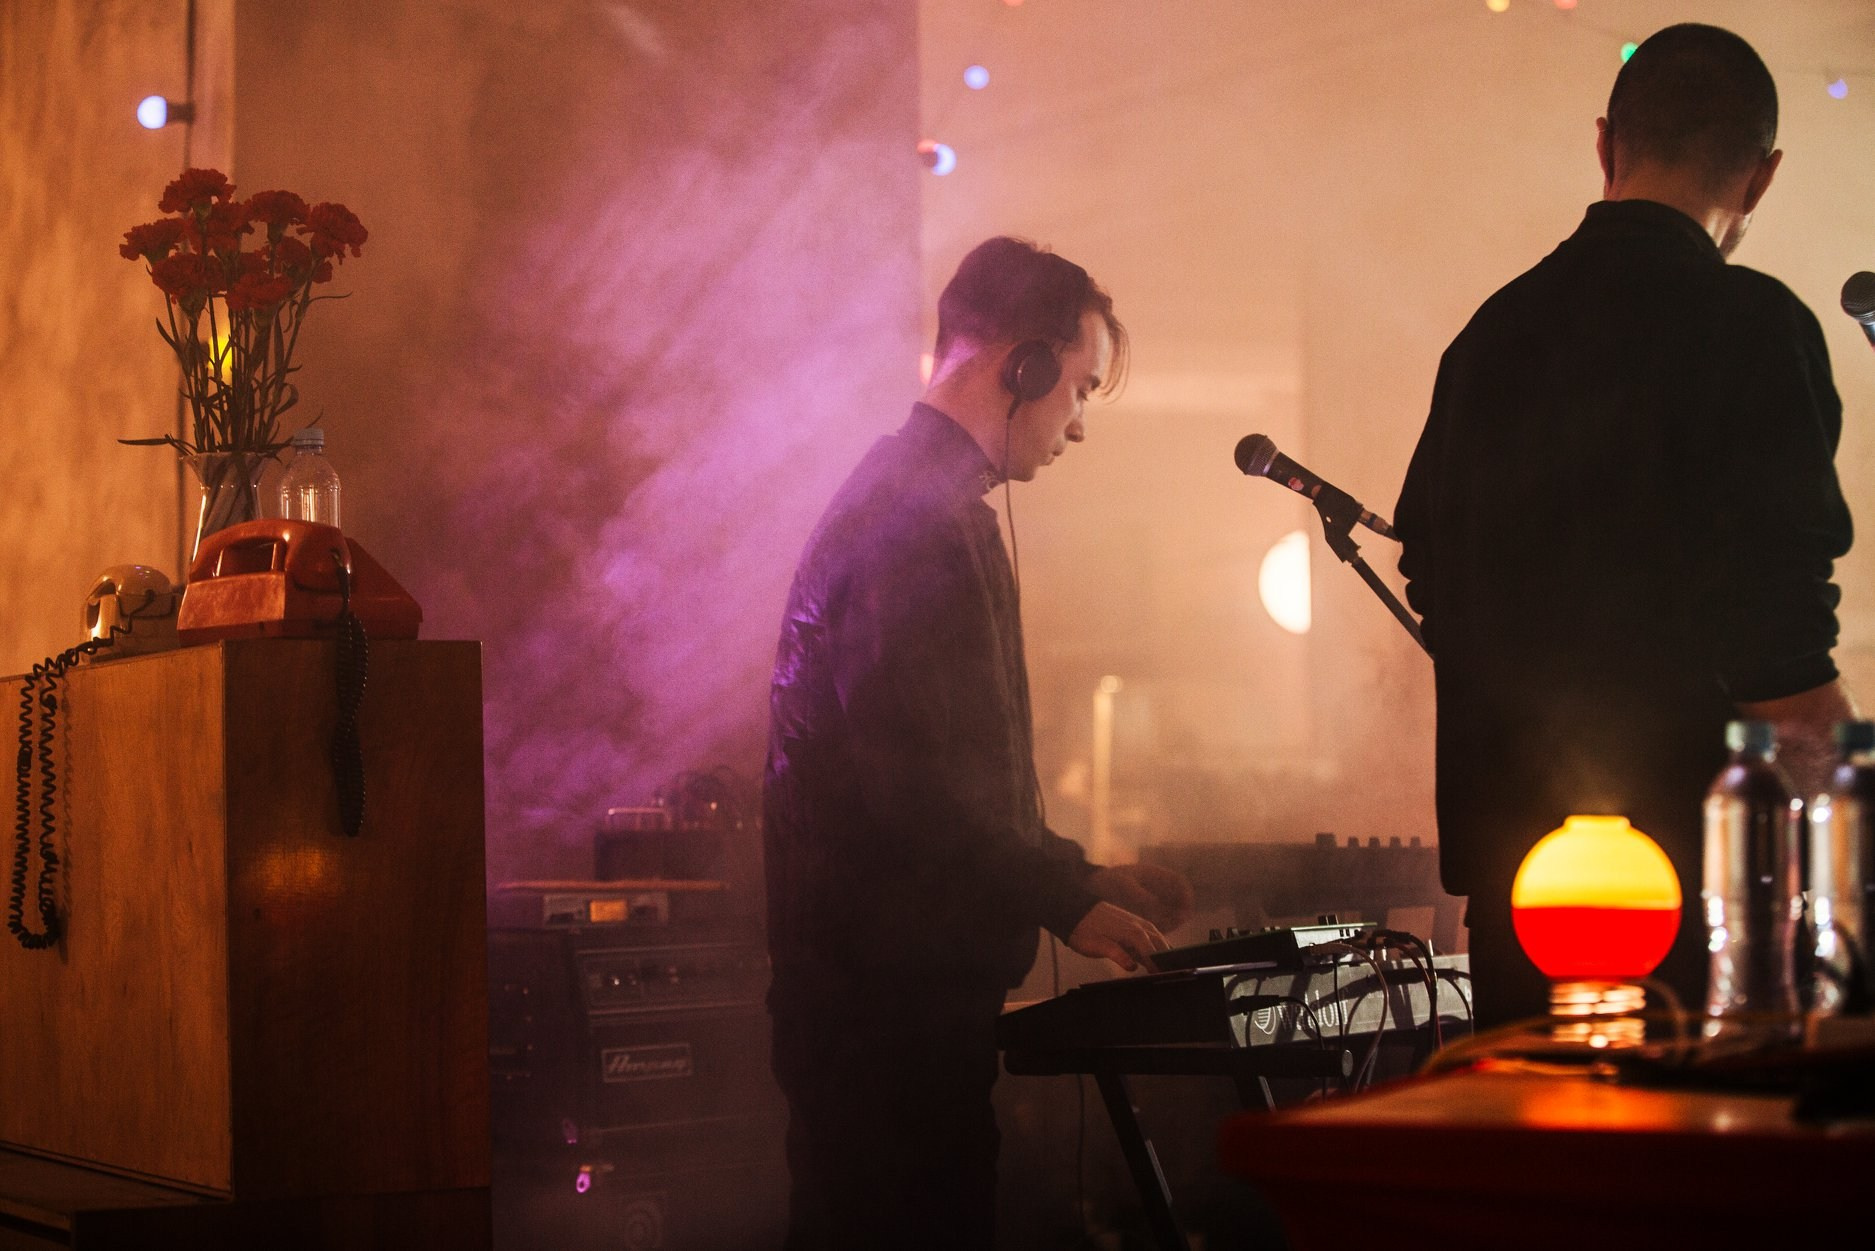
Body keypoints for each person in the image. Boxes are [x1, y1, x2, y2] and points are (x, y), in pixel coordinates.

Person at [1395, 23, 1856, 1031]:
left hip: (1524, 889)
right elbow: (1781, 650)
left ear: (1606, 143)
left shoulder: (1489, 337)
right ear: (1762, 175)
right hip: (1706, 901)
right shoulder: (1753, 327)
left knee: (1529, 1132)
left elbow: (1427, 567)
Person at [762, 236, 1194, 1249]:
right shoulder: (914, 524)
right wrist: (1063, 900)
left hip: (889, 1004)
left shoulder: (926, 507)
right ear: (1023, 367)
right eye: (1077, 387)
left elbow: (956, 778)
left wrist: (1079, 876)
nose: (1077, 423)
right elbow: (909, 786)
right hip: (885, 1014)